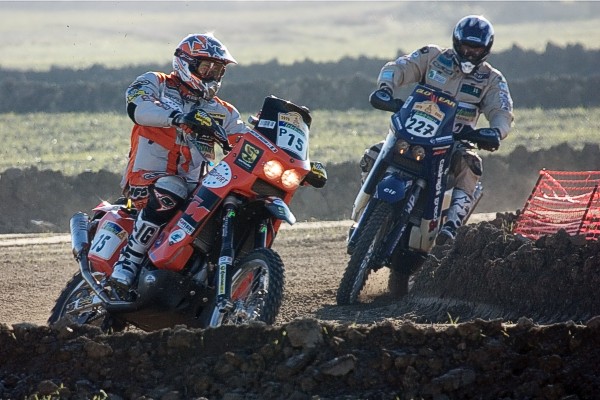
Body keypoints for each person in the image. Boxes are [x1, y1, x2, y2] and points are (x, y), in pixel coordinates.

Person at [110, 33, 251, 290]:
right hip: (146, 179)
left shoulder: (224, 111)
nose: (211, 75)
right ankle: (128, 260)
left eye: (218, 70)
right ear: (186, 63)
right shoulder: (156, 82)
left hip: (195, 187)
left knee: (234, 203)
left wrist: (287, 159)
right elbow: (138, 107)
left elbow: (244, 141)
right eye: (206, 67)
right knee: (171, 188)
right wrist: (177, 117)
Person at [360, 15, 514, 245]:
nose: (470, 53)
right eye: (465, 46)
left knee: (471, 164)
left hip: (455, 142)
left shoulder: (492, 80)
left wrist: (496, 132)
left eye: (476, 48)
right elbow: (399, 67)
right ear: (456, 42)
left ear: (486, 49)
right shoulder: (432, 56)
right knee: (372, 154)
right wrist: (385, 89)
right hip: (413, 133)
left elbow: (502, 110)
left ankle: (450, 227)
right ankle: (367, 209)